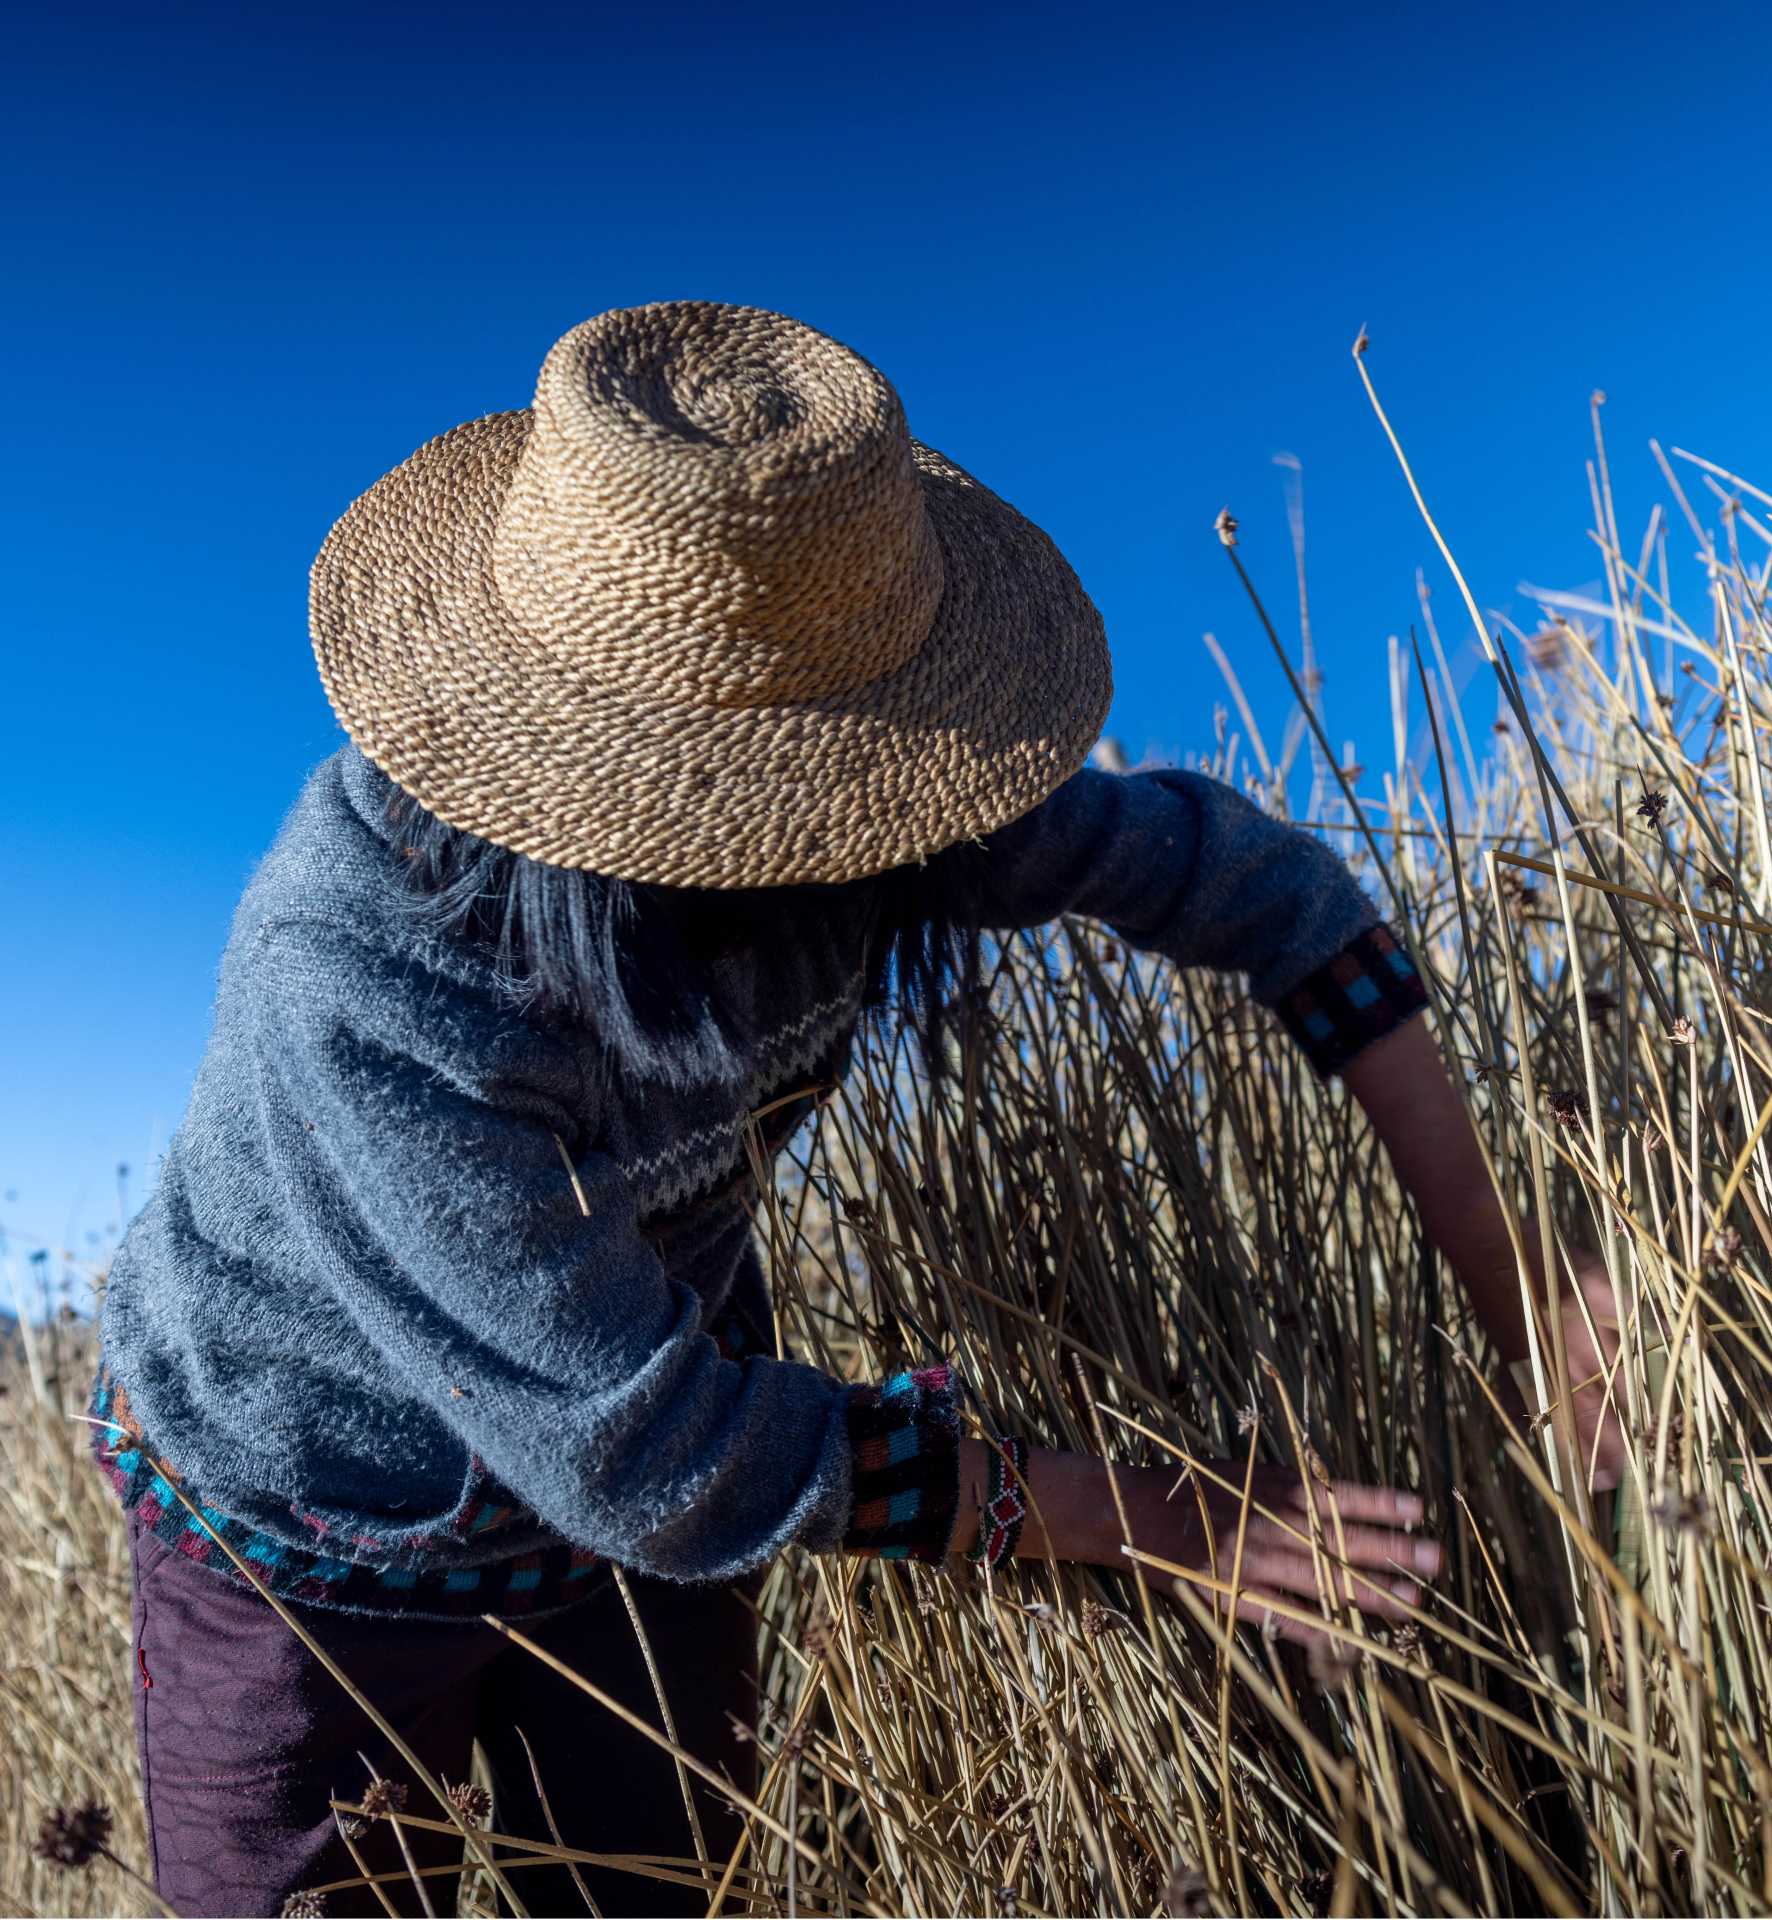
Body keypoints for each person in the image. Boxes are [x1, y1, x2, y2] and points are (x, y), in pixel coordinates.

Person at [93, 302, 1623, 1919]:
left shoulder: (888, 799)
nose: (799, 846)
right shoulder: (369, 963)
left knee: (657, 1887)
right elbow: (652, 1453)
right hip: (304, 1534)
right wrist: (1156, 1520)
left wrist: (1514, 1285)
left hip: (628, 1536)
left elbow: (1276, 901)